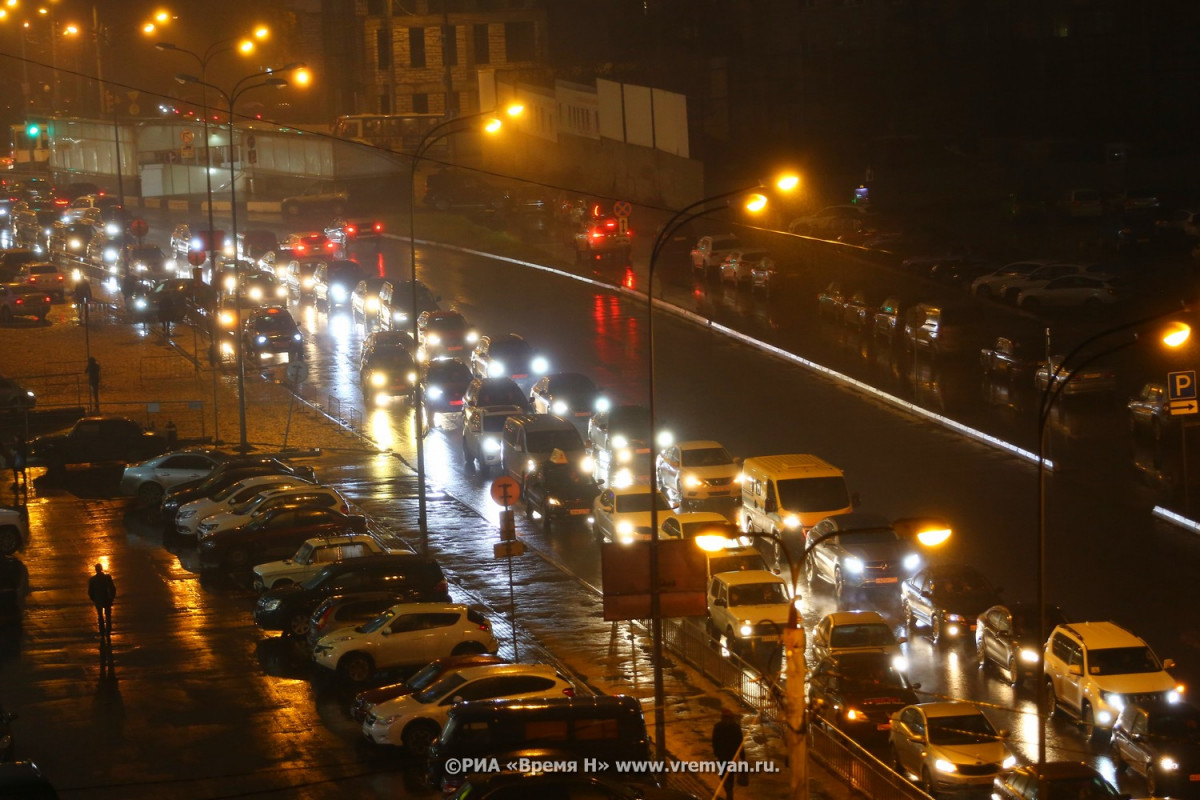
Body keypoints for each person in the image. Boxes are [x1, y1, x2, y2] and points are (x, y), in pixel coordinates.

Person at [712, 708, 746, 800]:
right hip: (732, 755)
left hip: (722, 755)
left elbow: (715, 741)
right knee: (730, 774)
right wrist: (742, 757)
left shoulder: (718, 727)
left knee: (723, 773)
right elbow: (740, 743)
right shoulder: (735, 727)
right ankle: (729, 791)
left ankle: (728, 789)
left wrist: (716, 752)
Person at [87, 563, 117, 635]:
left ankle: (102, 631)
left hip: (98, 600)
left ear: (96, 570)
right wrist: (112, 597)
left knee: (100, 616)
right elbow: (113, 588)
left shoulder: (92, 580)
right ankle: (108, 630)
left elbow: (90, 592)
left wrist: (94, 599)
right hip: (107, 599)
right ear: (101, 569)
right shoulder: (107, 577)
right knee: (108, 616)